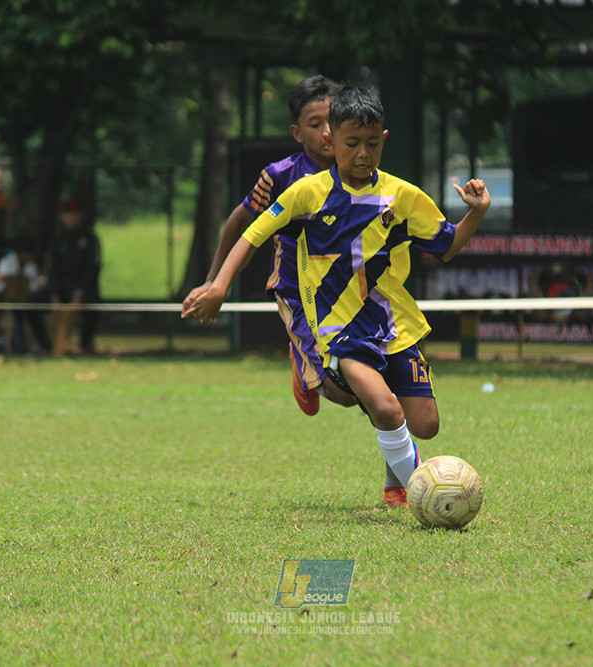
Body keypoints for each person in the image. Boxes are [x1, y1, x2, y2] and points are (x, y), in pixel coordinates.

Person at [184, 86, 492, 504]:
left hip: (395, 325)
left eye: (371, 143)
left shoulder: (403, 196)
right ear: (332, 139)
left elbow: (448, 245)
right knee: (384, 409)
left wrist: (476, 212)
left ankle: (408, 479)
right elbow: (252, 235)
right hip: (339, 329)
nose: (362, 154)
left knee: (427, 424)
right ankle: (426, 495)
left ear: (384, 139)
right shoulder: (306, 191)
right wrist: (218, 285)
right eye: (351, 144)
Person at [183, 74, 356, 417]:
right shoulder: (280, 176)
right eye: (314, 124)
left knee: (365, 382)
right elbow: (238, 221)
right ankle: (304, 368)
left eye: (331, 122)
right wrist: (212, 279)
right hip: (295, 289)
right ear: (297, 133)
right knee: (344, 393)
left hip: (345, 287)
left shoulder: (358, 169)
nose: (325, 132)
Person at [46, 197, 101, 356]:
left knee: (93, 305)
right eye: (67, 213)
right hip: (62, 289)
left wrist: (78, 294)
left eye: (73, 213)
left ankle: (84, 346)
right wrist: (54, 294)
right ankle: (45, 345)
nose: (69, 217)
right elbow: (53, 269)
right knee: (33, 303)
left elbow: (92, 270)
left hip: (83, 290)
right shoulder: (58, 240)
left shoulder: (90, 239)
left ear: (80, 216)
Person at [0, 235, 52, 353]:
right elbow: (0, 285)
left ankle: (27, 345)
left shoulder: (30, 265)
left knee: (29, 311)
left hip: (24, 301)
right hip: (5, 300)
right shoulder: (6, 263)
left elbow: (33, 282)